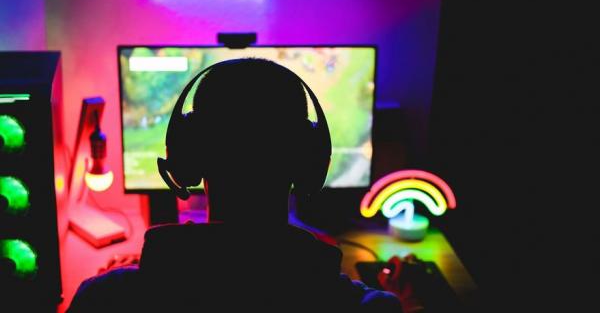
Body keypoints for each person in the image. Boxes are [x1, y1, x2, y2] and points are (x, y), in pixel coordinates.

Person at [67, 58, 403, 312]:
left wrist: (126, 278)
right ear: (309, 163)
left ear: (187, 157)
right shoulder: (372, 307)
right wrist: (408, 302)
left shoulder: (103, 299)